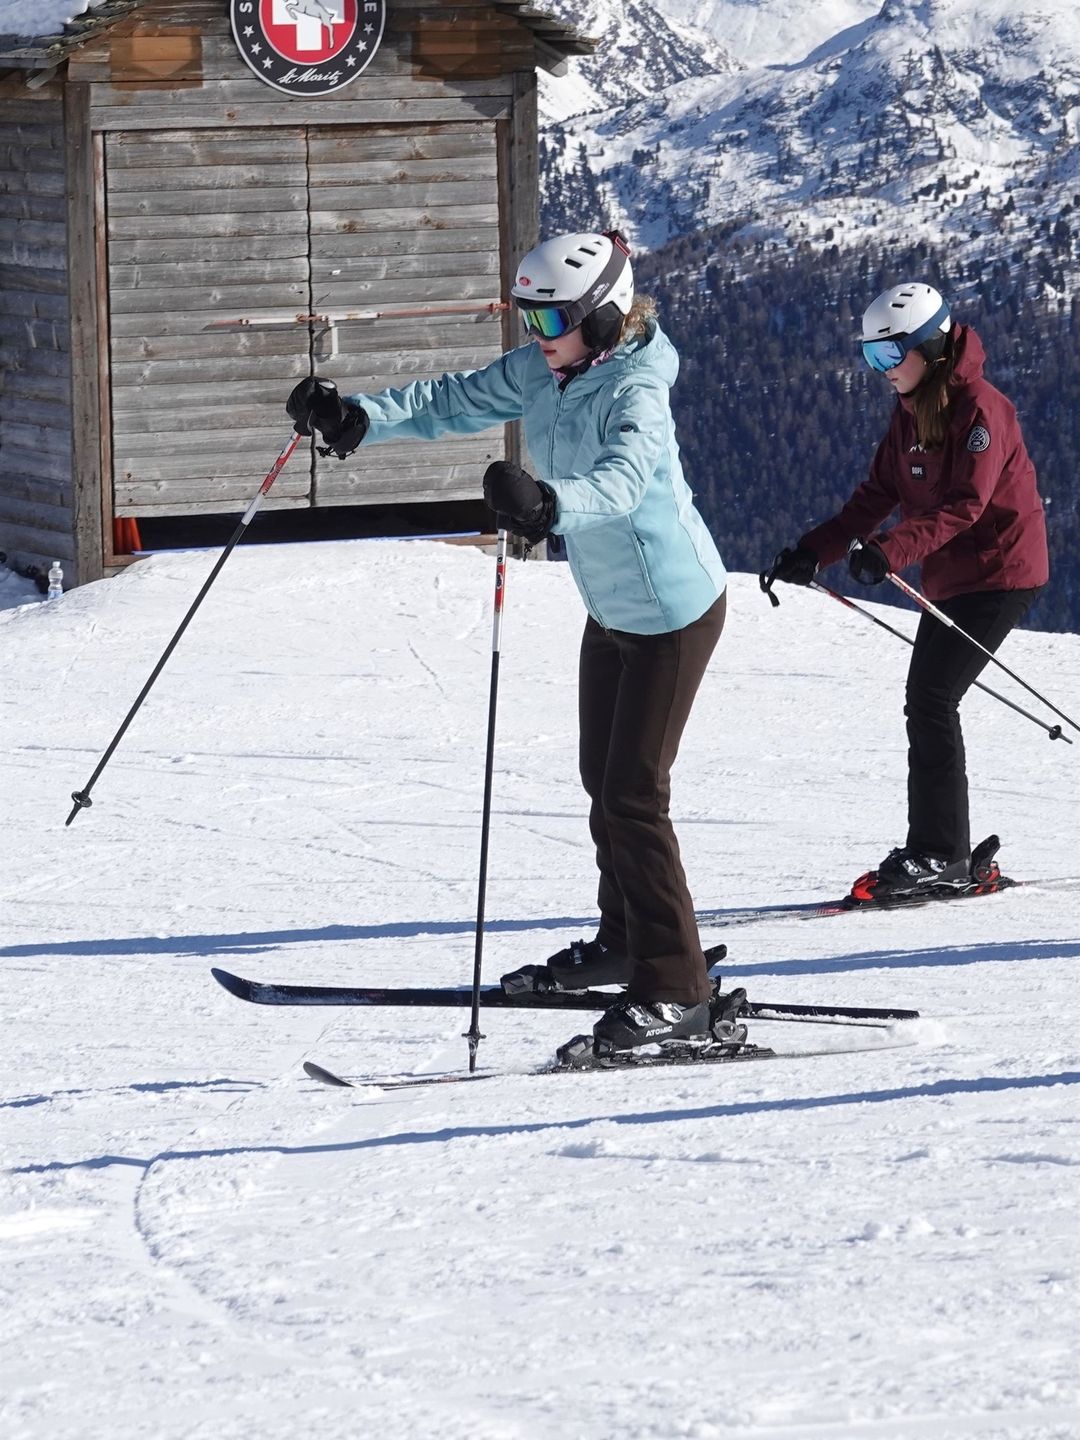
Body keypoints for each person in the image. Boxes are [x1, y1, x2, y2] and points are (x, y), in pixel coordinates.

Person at [286, 230, 730, 1060]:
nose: (536, 333)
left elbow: (625, 480)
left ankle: (677, 989)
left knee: (635, 793)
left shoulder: (635, 388)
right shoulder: (550, 368)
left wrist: (547, 506)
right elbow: (457, 397)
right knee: (602, 778)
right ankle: (625, 938)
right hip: (612, 607)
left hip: (673, 611)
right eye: (527, 314)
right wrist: (359, 419)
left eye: (553, 316)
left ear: (603, 318)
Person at [769, 281, 1049, 900]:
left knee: (930, 698)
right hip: (951, 578)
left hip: (1000, 575)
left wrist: (891, 550)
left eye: (890, 357)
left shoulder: (983, 410)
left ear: (933, 348)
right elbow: (875, 497)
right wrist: (813, 550)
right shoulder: (911, 410)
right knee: (926, 700)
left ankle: (940, 853)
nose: (882, 372)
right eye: (872, 359)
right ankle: (942, 849)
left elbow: (965, 507)